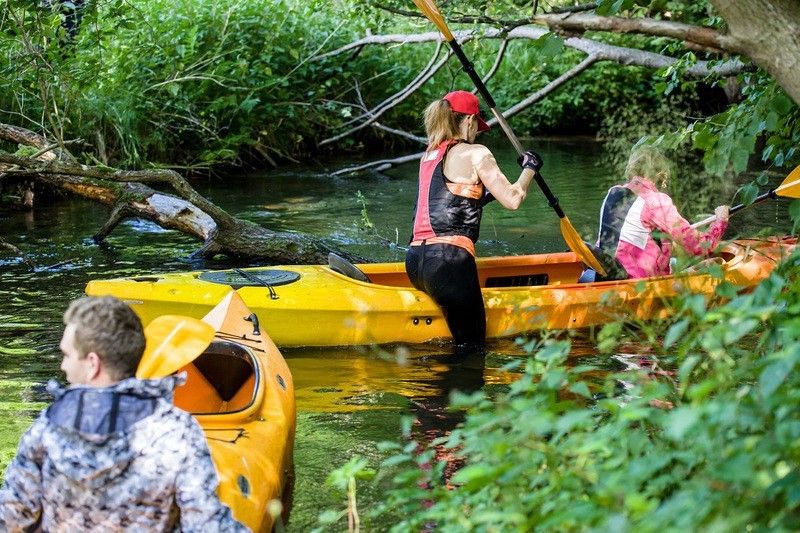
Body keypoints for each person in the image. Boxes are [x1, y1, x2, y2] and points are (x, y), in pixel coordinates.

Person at [0, 296, 247, 532]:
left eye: (67, 355)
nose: (63, 366)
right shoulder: (177, 430)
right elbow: (206, 525)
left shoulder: (47, 426)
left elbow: (12, 517)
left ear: (93, 364)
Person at [406, 90, 542, 354]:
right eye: (477, 126)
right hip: (448, 262)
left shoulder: (430, 155)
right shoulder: (476, 153)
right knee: (472, 349)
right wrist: (530, 169)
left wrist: (483, 195)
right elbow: (513, 199)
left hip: (415, 261)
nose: (477, 132)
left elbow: (447, 201)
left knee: (454, 341)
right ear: (468, 121)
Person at [590, 145, 729, 280]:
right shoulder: (655, 201)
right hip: (636, 281)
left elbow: (628, 239)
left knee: (675, 260)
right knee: (712, 262)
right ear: (659, 174)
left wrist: (667, 244)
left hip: (604, 273)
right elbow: (699, 246)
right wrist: (721, 221)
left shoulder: (613, 191)